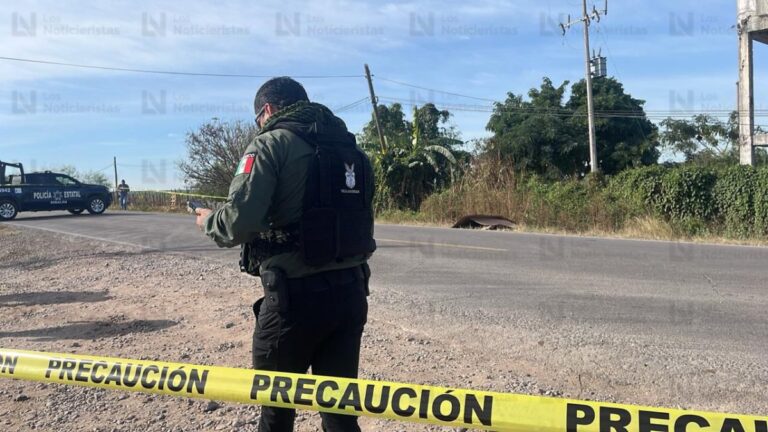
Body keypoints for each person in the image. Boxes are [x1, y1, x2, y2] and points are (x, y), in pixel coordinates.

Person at [195, 77, 375, 432]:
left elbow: (237, 223)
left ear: (268, 110)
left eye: (257, 119)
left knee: (276, 411)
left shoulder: (269, 144)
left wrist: (206, 221)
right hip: (351, 294)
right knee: (339, 413)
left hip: (295, 300)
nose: (259, 125)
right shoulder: (352, 150)